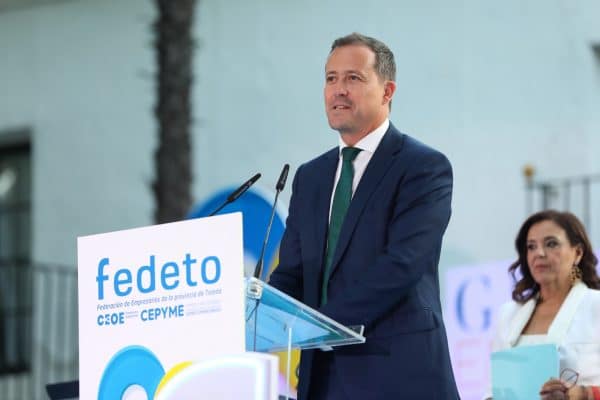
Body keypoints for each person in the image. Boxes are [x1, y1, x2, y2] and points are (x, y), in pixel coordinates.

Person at [268, 32, 459, 400]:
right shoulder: (310, 177)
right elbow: (292, 273)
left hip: (399, 374)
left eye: (353, 78)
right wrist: (256, 310)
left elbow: (402, 264)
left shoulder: (423, 167)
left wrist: (322, 326)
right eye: (331, 79)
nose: (338, 90)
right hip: (322, 378)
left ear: (387, 91)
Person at [485, 210, 600, 400]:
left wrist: (580, 394)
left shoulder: (596, 305)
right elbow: (492, 391)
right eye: (531, 246)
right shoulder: (508, 314)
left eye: (551, 243)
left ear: (577, 253)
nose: (539, 253)